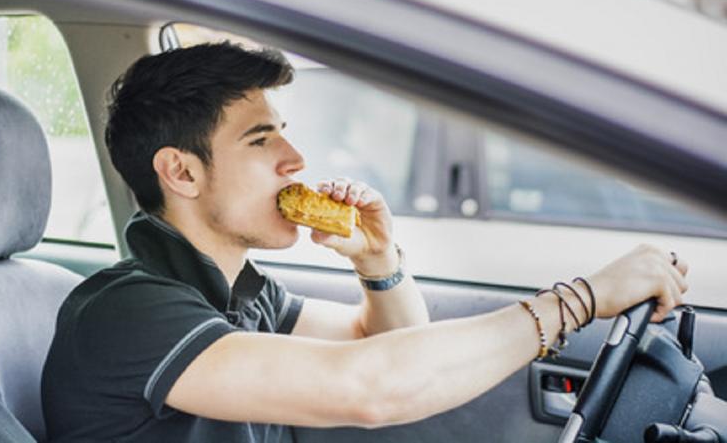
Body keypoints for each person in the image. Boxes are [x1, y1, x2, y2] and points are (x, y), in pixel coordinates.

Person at [40, 42, 689, 442]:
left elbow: (385, 347)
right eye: (261, 140)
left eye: (286, 133)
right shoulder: (127, 311)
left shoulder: (240, 293)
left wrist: (377, 261)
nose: (296, 157)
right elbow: (370, 389)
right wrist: (578, 300)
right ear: (180, 170)